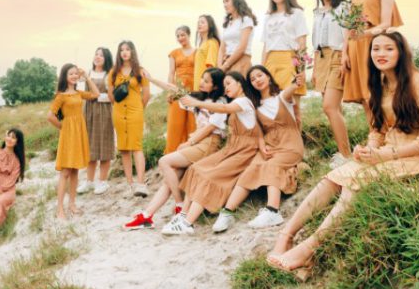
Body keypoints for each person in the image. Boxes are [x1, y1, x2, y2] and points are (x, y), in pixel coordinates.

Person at [268, 32, 419, 278]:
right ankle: (286, 237)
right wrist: (367, 148)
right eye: (376, 49)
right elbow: (378, 129)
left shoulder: (417, 82)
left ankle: (308, 249)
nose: (381, 54)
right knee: (333, 177)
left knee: (355, 183)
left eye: (389, 49)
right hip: (391, 149)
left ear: (401, 52)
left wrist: (388, 155)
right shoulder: (379, 83)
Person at [123, 67, 227, 230]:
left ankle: (179, 204)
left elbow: (211, 128)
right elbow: (174, 89)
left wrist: (190, 142)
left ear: (215, 86)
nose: (201, 82)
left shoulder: (220, 102)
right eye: (202, 78)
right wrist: (151, 79)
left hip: (209, 144)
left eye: (206, 81)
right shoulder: (199, 98)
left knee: (164, 161)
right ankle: (147, 216)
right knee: (168, 181)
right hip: (198, 143)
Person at [162, 71, 263, 235]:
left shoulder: (244, 102)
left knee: (209, 177)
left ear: (240, 83)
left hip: (244, 152)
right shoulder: (237, 102)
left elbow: (223, 108)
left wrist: (197, 102)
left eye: (229, 83)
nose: (226, 88)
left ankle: (188, 223)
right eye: (224, 85)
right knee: (195, 168)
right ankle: (183, 215)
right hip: (232, 148)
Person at [213, 65, 305, 232]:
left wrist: (297, 82)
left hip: (290, 145)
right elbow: (258, 132)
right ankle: (227, 212)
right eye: (253, 79)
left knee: (271, 166)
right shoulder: (255, 106)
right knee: (251, 170)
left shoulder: (282, 97)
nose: (257, 80)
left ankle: (273, 211)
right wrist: (262, 146)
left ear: (268, 76)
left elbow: (291, 89)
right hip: (270, 146)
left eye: (260, 75)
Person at [342, 0, 402, 121]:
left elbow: (385, 24)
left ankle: (389, 132)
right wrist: (344, 52)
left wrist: (365, 34)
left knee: (376, 94)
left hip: (373, 46)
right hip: (355, 48)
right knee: (364, 98)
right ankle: (374, 133)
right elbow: (349, 26)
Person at [48, 64, 100, 218]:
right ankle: (60, 209)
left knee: (75, 170)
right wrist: (62, 127)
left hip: (79, 133)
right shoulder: (61, 96)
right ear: (65, 76)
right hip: (68, 134)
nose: (74, 76)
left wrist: (87, 77)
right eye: (71, 73)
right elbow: (50, 116)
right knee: (65, 172)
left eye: (76, 73)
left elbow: (96, 94)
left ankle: (72, 204)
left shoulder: (78, 93)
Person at [312, 0, 351, 160]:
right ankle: (344, 151)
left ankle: (346, 156)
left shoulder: (343, 7)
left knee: (329, 107)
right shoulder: (317, 12)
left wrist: (345, 56)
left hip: (337, 56)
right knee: (335, 109)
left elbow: (348, 34)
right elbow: (315, 41)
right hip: (320, 59)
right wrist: (313, 69)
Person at [261, 0, 308, 127]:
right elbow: (266, 46)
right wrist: (261, 69)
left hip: (289, 60)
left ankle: (296, 141)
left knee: (293, 107)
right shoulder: (268, 17)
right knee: (271, 107)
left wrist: (301, 69)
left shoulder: (296, 13)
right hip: (270, 62)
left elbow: (302, 42)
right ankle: (276, 140)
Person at [108, 41, 152, 196]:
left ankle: (141, 183)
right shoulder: (113, 72)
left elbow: (146, 94)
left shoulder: (140, 71)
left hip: (135, 112)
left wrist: (139, 109)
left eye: (127, 49)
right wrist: (118, 108)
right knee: (124, 149)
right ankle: (130, 184)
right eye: (122, 50)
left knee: (136, 147)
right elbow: (111, 95)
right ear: (119, 53)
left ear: (132, 51)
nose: (125, 52)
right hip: (119, 113)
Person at [81, 47, 116, 195]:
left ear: (106, 58)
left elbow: (112, 97)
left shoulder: (110, 74)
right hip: (89, 112)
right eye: (96, 54)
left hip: (105, 112)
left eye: (101, 55)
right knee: (90, 148)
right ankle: (89, 181)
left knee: (104, 146)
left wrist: (97, 96)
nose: (98, 57)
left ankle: (102, 181)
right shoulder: (88, 73)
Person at [163, 26, 197, 153]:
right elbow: (171, 72)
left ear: (189, 35)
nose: (180, 38)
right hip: (178, 89)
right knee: (175, 123)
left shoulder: (197, 52)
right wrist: (170, 91)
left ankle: (191, 153)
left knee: (192, 122)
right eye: (178, 36)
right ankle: (172, 153)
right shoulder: (174, 53)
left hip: (194, 90)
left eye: (183, 35)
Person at [218, 0, 257, 76]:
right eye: (223, 2)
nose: (224, 5)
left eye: (227, 1)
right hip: (226, 62)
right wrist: (219, 67)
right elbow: (222, 48)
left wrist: (225, 65)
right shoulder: (228, 22)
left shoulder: (246, 20)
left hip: (241, 61)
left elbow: (242, 48)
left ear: (236, 0)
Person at [193, 15, 221, 90]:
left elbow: (211, 66)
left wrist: (207, 85)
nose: (199, 24)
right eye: (198, 22)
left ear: (210, 25)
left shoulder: (212, 42)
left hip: (204, 86)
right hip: (198, 83)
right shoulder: (202, 44)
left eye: (202, 22)